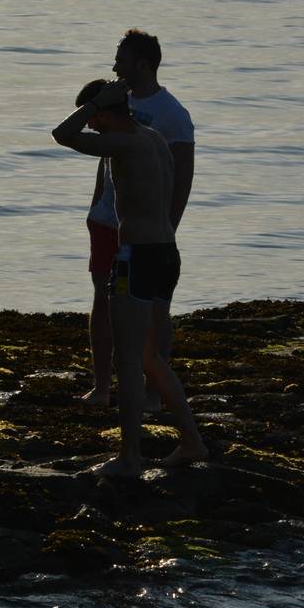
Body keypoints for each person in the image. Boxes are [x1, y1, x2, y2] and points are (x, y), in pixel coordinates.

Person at [53, 78, 207, 476]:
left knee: (127, 358)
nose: (93, 127)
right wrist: (102, 104)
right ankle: (192, 441)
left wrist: (94, 104)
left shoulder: (124, 143)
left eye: (96, 120)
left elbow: (62, 134)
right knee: (149, 356)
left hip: (137, 257)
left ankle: (129, 457)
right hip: (166, 253)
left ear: (106, 112)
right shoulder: (154, 138)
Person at [83, 29, 195, 406]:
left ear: (143, 65)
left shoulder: (173, 115)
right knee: (102, 300)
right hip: (107, 222)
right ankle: (102, 386)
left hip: (148, 231)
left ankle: (152, 392)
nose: (115, 67)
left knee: (154, 312)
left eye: (122, 60)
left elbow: (182, 176)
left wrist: (168, 227)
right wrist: (96, 205)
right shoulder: (116, 102)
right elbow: (105, 156)